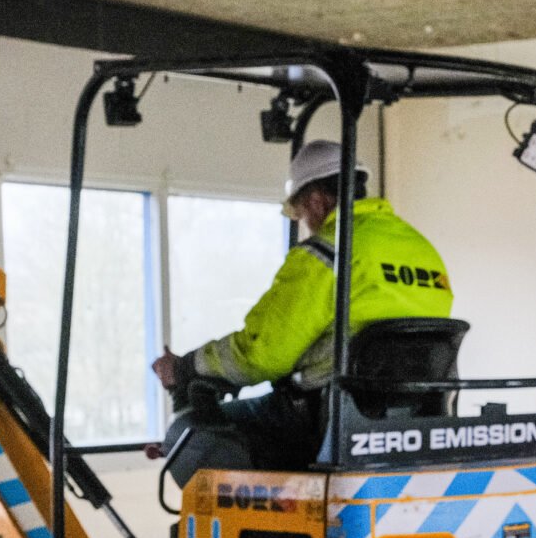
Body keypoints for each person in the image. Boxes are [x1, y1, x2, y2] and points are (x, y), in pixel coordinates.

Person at [152, 140, 454, 478]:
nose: (304, 222)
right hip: (414, 421)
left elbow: (262, 355)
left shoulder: (325, 254)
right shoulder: (421, 249)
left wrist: (187, 367)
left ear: (316, 199)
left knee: (188, 434)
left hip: (328, 425)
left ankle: (267, 526)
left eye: (299, 211)